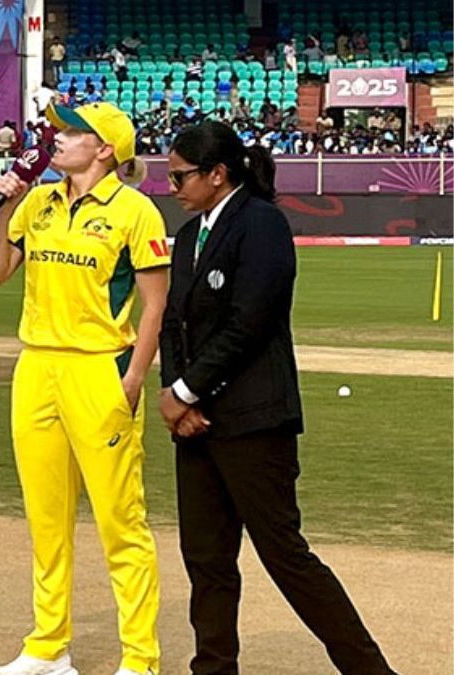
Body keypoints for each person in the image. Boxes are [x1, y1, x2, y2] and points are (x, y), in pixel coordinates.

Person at [158, 121, 397, 675]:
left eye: (180, 176)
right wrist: (175, 394)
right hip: (195, 425)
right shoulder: (193, 234)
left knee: (285, 556)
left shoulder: (262, 224)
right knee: (208, 561)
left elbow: (251, 322)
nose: (171, 186)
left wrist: (189, 390)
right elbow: (175, 322)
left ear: (217, 174)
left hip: (254, 420)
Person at [0, 101, 169, 675]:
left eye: (71, 132)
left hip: (99, 369)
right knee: (46, 518)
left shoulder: (136, 211)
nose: (57, 139)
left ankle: (140, 659)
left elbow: (157, 302)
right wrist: (7, 200)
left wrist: (134, 376)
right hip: (36, 366)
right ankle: (47, 646)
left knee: (120, 521)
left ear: (105, 148)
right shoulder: (37, 201)